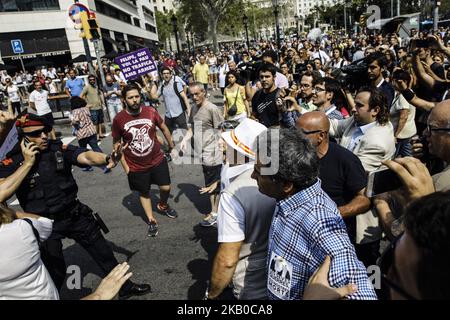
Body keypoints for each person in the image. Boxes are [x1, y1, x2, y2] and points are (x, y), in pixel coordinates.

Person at [0, 113, 151, 299]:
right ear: (23, 137)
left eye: (46, 131)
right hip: (44, 223)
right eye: (37, 133)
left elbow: (85, 156)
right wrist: (28, 163)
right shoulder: (12, 161)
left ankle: (125, 287)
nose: (44, 136)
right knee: (55, 270)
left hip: (74, 213)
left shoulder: (56, 148)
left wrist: (106, 159)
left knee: (104, 253)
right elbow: (1, 192)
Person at [251, 128, 377, 300]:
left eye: (258, 173)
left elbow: (361, 292)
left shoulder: (319, 223)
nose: (252, 176)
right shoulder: (287, 198)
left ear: (286, 184)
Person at [206, 119, 276, 300]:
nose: (222, 143)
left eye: (229, 143)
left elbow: (228, 261)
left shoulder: (233, 194)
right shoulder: (276, 178)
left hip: (248, 278)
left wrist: (211, 295)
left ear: (243, 151)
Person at [329, 87, 396, 267]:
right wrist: (313, 122)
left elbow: (350, 172)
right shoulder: (357, 121)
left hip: (361, 217)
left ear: (375, 110)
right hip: (346, 204)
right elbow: (335, 127)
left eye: (359, 105)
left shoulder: (378, 141)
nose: (353, 108)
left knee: (364, 266)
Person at [112, 84, 178, 237]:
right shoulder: (119, 119)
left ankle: (162, 204)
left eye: (136, 96)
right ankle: (151, 220)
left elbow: (164, 128)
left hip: (157, 159)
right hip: (136, 165)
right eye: (130, 98)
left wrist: (171, 146)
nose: (135, 100)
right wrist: (126, 168)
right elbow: (117, 143)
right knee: (144, 192)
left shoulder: (150, 111)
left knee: (166, 187)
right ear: (124, 100)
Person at [296, 112, 371, 244]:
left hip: (333, 234)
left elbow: (365, 199)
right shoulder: (297, 157)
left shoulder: (346, 160)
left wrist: (333, 213)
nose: (295, 137)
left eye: (301, 133)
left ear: (321, 136)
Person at [180, 82, 224, 227]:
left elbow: (220, 131)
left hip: (212, 152)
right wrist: (185, 140)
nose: (194, 97)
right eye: (191, 95)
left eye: (197, 94)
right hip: (202, 153)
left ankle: (214, 213)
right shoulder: (193, 108)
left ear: (204, 92)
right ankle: (217, 210)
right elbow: (192, 128)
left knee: (212, 184)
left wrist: (221, 151)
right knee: (210, 182)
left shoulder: (212, 109)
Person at [70, 96, 110, 174]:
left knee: (83, 151)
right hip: (91, 131)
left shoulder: (75, 111)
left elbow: (76, 122)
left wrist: (72, 122)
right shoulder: (86, 109)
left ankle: (87, 166)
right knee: (95, 147)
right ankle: (104, 161)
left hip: (82, 133)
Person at [147, 67, 191, 134]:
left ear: (170, 75)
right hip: (168, 116)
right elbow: (154, 97)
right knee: (168, 133)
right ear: (162, 75)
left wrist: (189, 110)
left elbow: (184, 97)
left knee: (185, 132)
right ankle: (172, 144)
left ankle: (190, 143)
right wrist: (149, 89)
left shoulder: (176, 84)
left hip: (179, 114)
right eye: (164, 73)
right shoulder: (161, 86)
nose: (166, 75)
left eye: (167, 73)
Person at [390, 70, 417, 157]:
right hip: (407, 133)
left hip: (402, 136)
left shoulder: (403, 97)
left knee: (408, 159)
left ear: (403, 82)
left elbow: (403, 117)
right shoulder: (409, 93)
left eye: (394, 80)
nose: (392, 82)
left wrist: (395, 135)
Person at [81, 75, 106, 140]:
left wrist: (102, 104)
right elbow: (81, 96)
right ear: (88, 80)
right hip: (92, 108)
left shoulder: (96, 87)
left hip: (99, 107)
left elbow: (99, 95)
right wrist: (85, 104)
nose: (92, 81)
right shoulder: (87, 87)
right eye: (90, 79)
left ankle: (100, 134)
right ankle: (96, 136)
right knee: (95, 123)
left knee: (100, 121)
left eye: (93, 79)